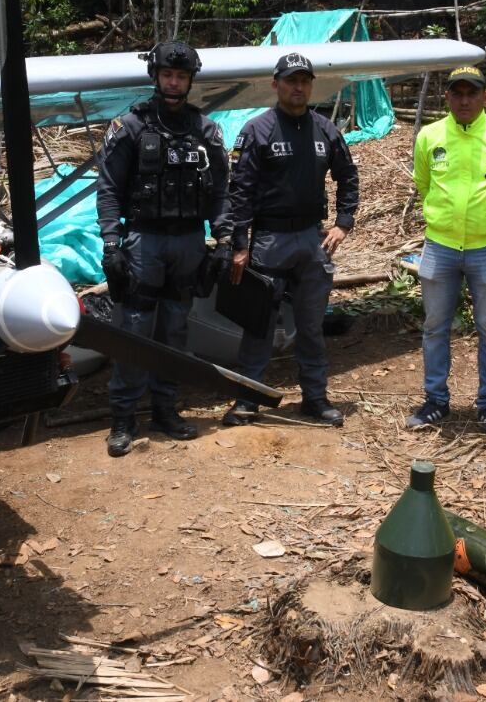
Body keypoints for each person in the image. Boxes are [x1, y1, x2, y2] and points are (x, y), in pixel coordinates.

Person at [95, 40, 232, 457]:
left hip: (189, 240)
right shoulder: (130, 128)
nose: (174, 83)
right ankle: (122, 418)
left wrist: (225, 239)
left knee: (176, 328)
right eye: (168, 75)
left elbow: (222, 191)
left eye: (182, 76)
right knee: (134, 327)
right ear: (155, 76)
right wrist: (111, 242)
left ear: (190, 80)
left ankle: (165, 410)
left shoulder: (206, 131)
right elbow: (108, 188)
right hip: (143, 240)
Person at [220, 52, 359, 427]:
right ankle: (248, 400)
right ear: (276, 84)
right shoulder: (257, 130)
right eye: (290, 80)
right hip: (268, 240)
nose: (298, 87)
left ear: (311, 85)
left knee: (311, 326)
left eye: (304, 81)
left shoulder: (325, 129)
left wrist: (343, 222)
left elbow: (348, 175)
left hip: (313, 240)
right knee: (259, 324)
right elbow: (240, 193)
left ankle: (315, 398)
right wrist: (240, 245)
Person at [407, 65, 486, 437]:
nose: (464, 100)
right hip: (440, 246)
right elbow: (424, 183)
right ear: (446, 96)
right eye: (456, 93)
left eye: (471, 93)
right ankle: (435, 402)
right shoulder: (430, 136)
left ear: (485, 96)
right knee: (434, 327)